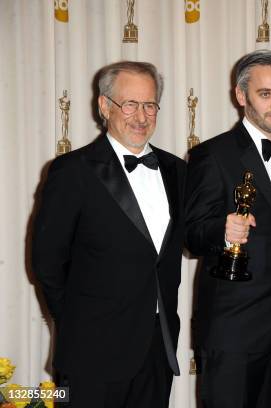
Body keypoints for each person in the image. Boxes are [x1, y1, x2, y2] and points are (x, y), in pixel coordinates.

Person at [33, 61, 185, 408]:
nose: (141, 116)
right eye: (129, 104)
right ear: (104, 106)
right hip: (92, 353)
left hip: (157, 351)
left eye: (149, 105)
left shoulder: (178, 171)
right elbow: (47, 262)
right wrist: (80, 322)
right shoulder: (73, 171)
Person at [185, 50, 271, 407]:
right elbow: (191, 235)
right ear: (241, 96)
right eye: (265, 93)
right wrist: (222, 231)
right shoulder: (212, 155)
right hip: (233, 326)